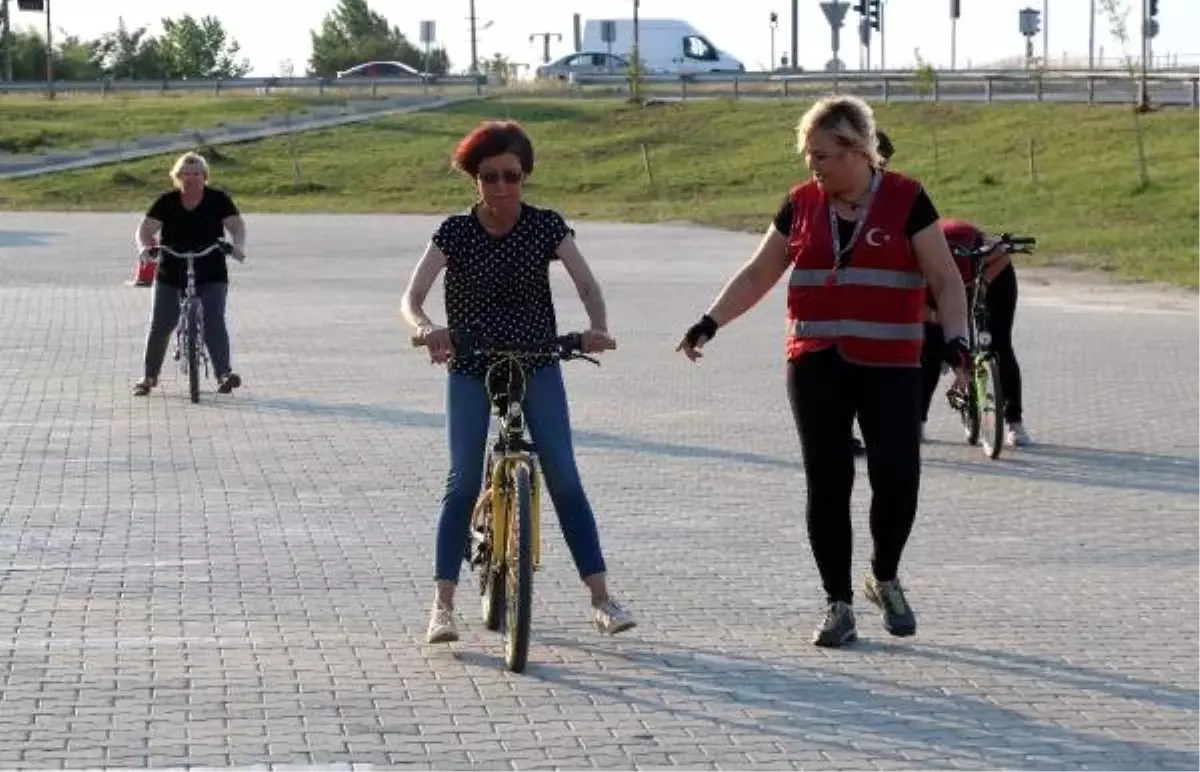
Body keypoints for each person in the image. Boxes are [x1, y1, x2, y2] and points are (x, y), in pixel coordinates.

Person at [676, 96, 970, 648]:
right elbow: (759, 272)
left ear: (858, 151)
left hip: (892, 364)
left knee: (898, 475)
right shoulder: (800, 203)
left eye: (824, 155)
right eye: (808, 154)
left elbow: (946, 279)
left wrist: (957, 343)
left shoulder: (907, 199)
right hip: (815, 363)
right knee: (828, 481)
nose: (813, 165)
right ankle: (837, 602)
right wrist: (710, 321)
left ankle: (883, 577)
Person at [400, 119, 637, 645]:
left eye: (511, 175)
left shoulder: (547, 226)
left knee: (564, 476)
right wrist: (427, 329)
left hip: (537, 360)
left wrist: (596, 328)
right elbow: (411, 296)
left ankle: (602, 599)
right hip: (470, 364)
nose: (501, 187)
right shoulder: (455, 231)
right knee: (462, 480)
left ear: (525, 175)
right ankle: (442, 606)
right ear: (474, 180)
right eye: (490, 177)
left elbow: (586, 283)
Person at [132, 152, 246, 396]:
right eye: (185, 173)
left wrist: (237, 247)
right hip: (172, 268)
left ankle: (224, 374)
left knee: (214, 321)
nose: (191, 178)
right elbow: (145, 228)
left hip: (210, 268)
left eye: (196, 174)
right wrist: (145, 248)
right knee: (161, 323)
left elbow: (236, 226)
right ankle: (149, 376)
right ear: (177, 176)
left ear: (204, 176)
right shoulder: (167, 201)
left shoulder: (218, 200)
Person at [924, 219, 1032, 446]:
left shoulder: (975, 247)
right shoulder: (922, 260)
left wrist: (981, 287)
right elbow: (922, 310)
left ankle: (1015, 422)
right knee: (931, 347)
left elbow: (1002, 255)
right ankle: (917, 420)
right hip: (943, 289)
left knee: (1000, 344)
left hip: (992, 276)